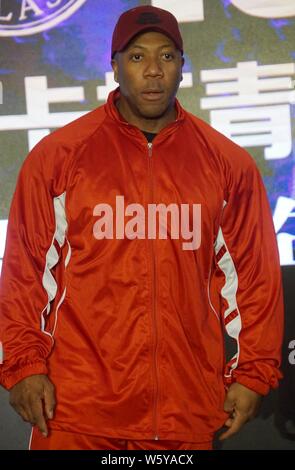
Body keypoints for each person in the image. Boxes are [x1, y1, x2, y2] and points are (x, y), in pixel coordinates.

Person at [0, 5, 284, 451]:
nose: (153, 71)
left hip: (182, 413)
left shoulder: (228, 165)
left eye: (167, 57)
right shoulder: (58, 158)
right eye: (137, 57)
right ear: (114, 66)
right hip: (76, 411)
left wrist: (252, 373)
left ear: (182, 67)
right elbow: (26, 275)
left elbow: (254, 281)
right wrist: (23, 366)